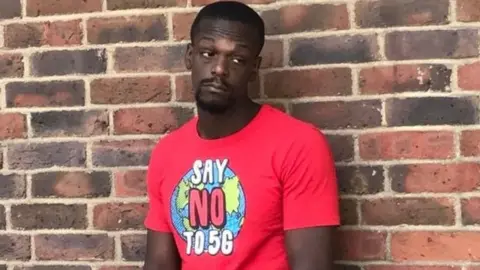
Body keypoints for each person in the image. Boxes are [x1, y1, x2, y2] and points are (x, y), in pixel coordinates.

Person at [142, 1, 340, 269]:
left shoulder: (298, 145)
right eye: (208, 53)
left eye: (237, 59)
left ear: (254, 68)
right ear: (190, 56)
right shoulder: (167, 153)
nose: (220, 69)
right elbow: (159, 264)